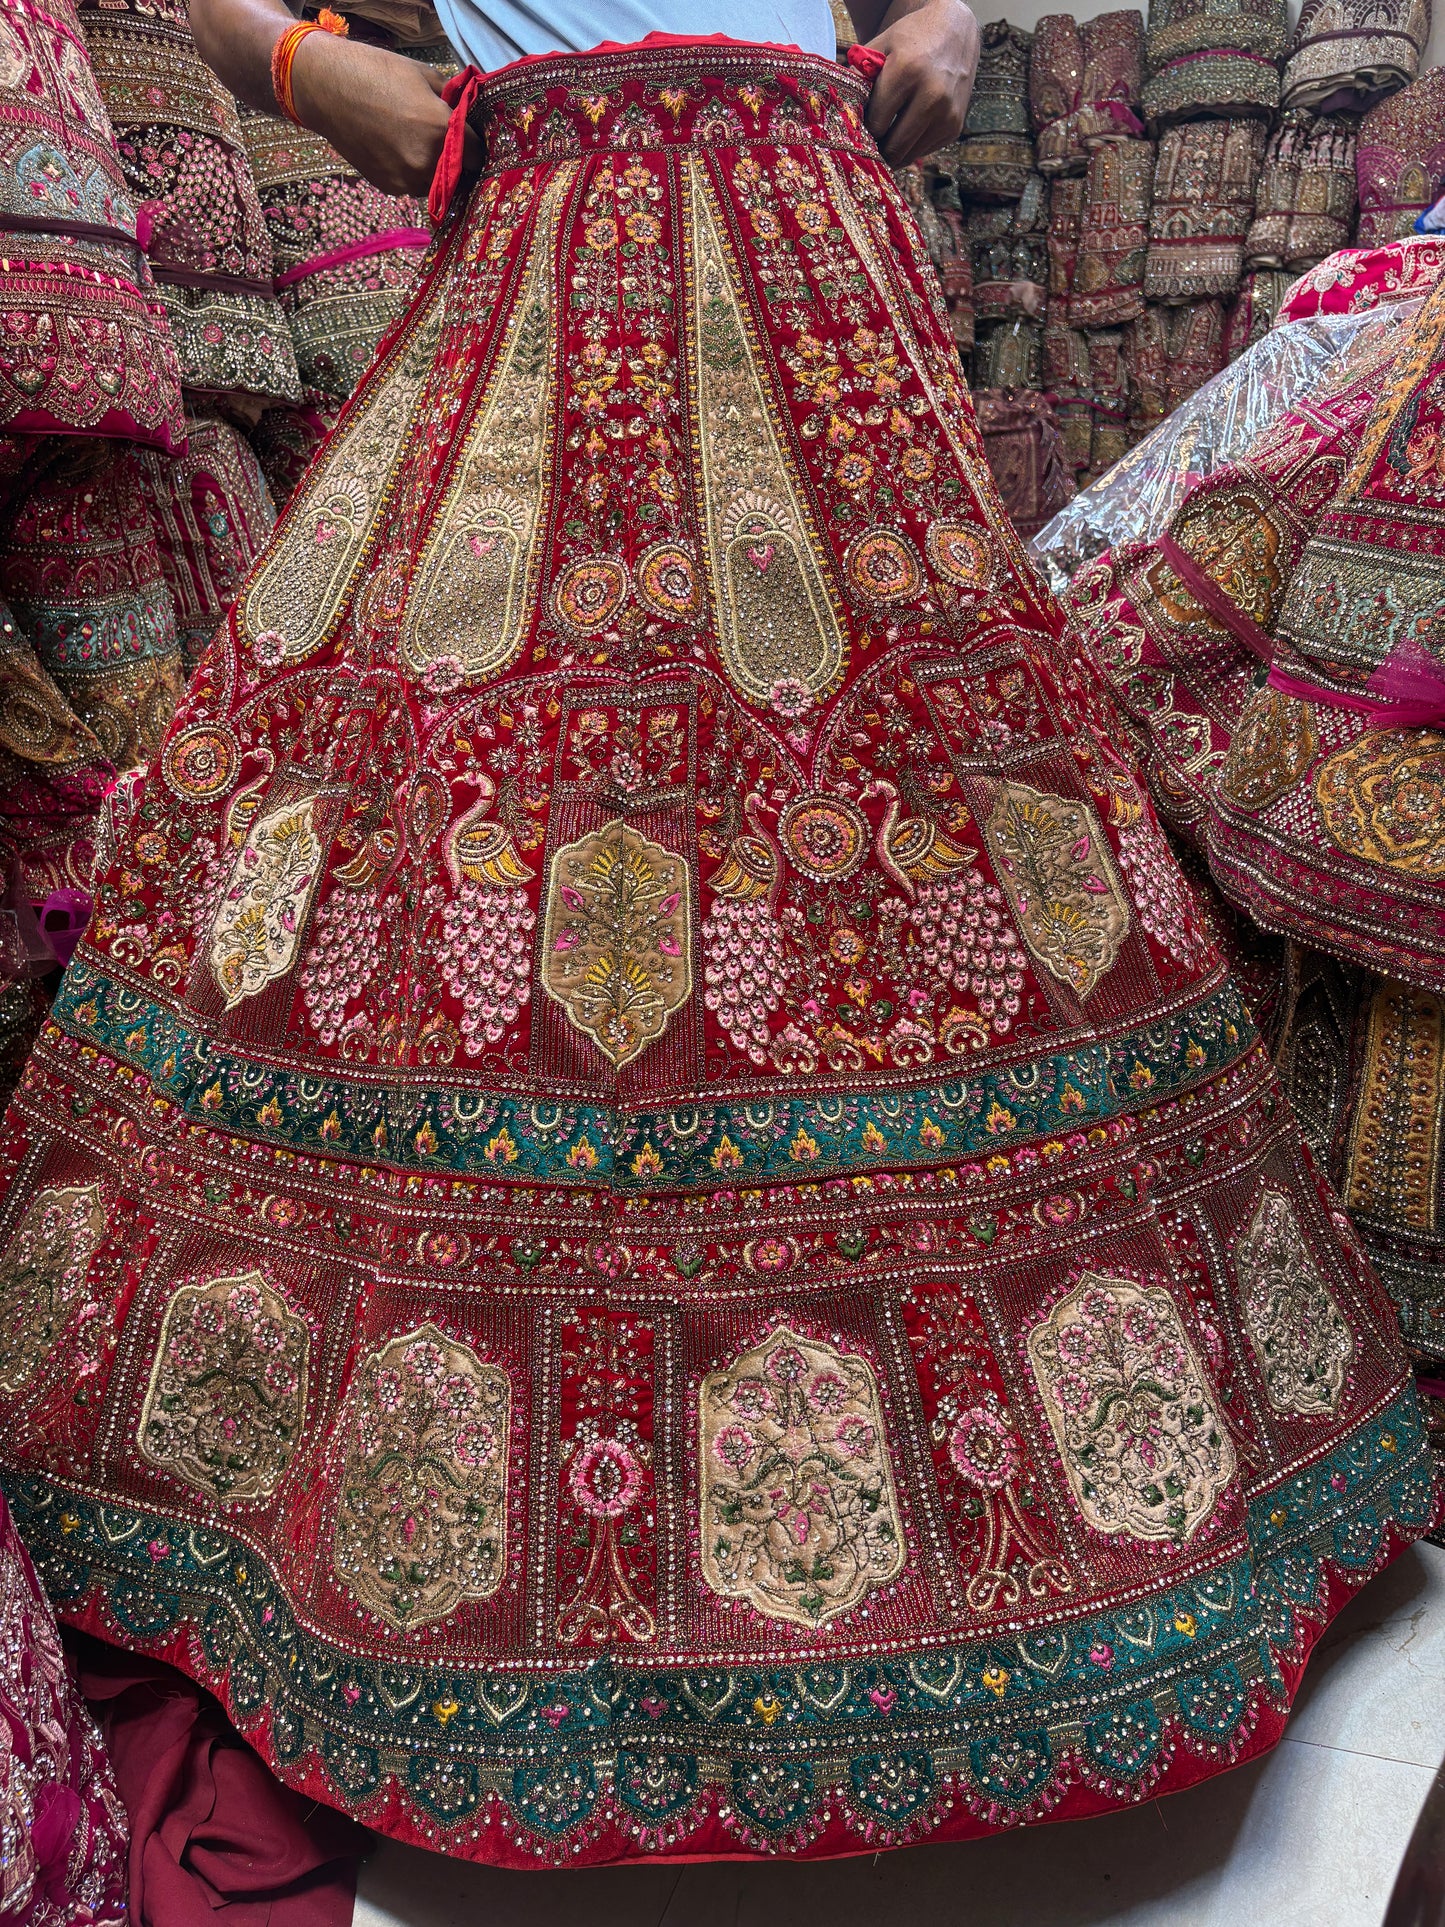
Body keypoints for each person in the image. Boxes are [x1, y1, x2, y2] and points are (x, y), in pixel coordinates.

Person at [0, 0, 1430, 1873]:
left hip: (812, 209)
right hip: (531, 197)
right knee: (471, 806)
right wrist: (288, 58)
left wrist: (947, 21)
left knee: (908, 809)